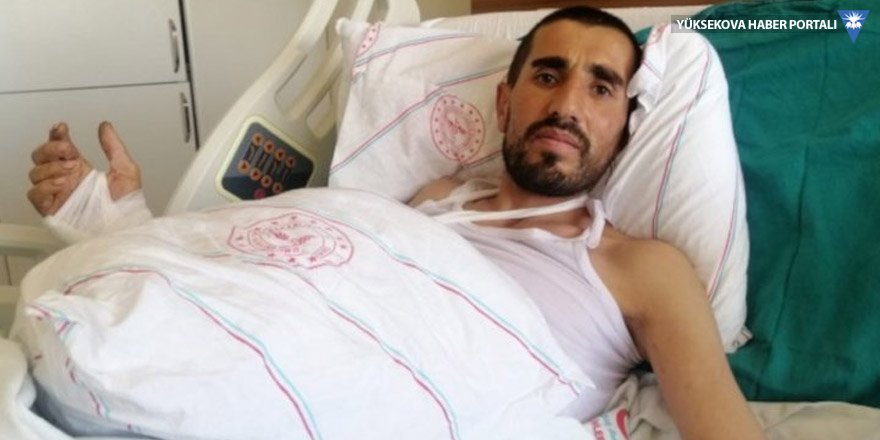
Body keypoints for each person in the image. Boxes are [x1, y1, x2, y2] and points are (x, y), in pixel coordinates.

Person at [26, 7, 765, 440]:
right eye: (547, 74)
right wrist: (116, 222)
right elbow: (306, 291)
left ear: (625, 129)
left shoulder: (638, 267)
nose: (567, 103)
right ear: (504, 103)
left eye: (602, 88)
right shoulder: (434, 200)